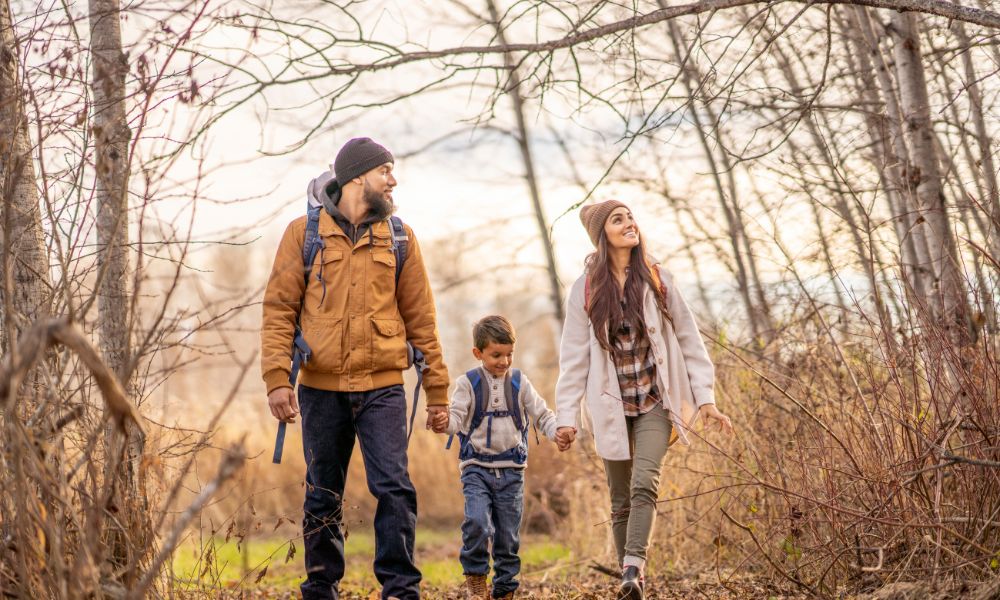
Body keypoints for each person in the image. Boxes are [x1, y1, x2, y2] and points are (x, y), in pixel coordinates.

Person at [260, 137, 450, 600]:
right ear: (358, 177)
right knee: (322, 492)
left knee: (395, 489)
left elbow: (422, 318)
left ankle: (401, 590)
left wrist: (439, 393)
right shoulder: (302, 234)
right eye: (386, 170)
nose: (393, 179)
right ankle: (321, 588)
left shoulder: (400, 237)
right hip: (319, 388)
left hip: (383, 385)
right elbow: (279, 310)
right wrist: (276, 380)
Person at [553, 200, 733, 600]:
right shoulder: (584, 290)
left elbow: (690, 339)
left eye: (631, 216)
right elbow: (573, 357)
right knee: (619, 500)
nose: (630, 223)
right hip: (610, 407)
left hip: (655, 401)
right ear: (603, 235)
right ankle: (628, 584)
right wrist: (566, 417)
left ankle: (634, 567)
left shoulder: (657, 277)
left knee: (644, 483)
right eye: (619, 220)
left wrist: (705, 399)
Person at [430, 315, 558, 600]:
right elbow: (456, 419)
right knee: (477, 522)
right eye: (496, 355)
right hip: (476, 468)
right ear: (478, 353)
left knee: (507, 537)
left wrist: (557, 431)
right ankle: (476, 576)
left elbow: (542, 414)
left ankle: (504, 589)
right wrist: (443, 423)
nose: (504, 361)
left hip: (512, 470)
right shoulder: (468, 384)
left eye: (509, 354)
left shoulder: (519, 382)